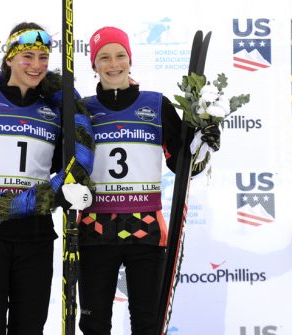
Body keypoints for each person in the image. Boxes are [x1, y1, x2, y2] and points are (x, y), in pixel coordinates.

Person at [0, 22, 90, 335]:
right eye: (27, 56)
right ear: (8, 57)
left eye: (43, 57)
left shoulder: (54, 108)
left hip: (34, 233)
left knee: (29, 328)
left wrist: (72, 189)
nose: (36, 65)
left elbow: (66, 166)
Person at [76, 26, 220, 335]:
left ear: (130, 59)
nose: (113, 64)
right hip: (95, 231)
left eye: (120, 56)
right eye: (104, 57)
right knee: (93, 324)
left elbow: (185, 166)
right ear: (93, 64)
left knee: (147, 324)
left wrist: (204, 143)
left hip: (147, 232)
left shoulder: (156, 105)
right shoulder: (83, 110)